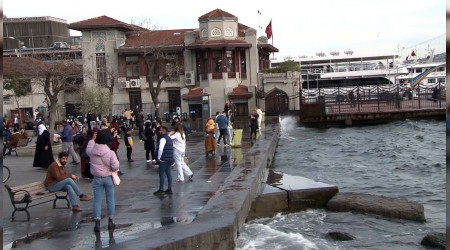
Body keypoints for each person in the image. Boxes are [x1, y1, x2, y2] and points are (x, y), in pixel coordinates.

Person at [86, 129, 120, 232]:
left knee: (97, 200)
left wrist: (92, 139)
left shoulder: (92, 151)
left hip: (96, 178)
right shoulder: (110, 153)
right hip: (108, 177)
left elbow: (88, 148)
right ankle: (110, 220)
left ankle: (97, 222)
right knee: (110, 199)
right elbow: (115, 166)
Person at [153, 126, 174, 195]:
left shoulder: (163, 139)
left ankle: (161, 189)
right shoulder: (169, 138)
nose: (160, 132)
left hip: (164, 159)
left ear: (164, 131)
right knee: (168, 173)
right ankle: (169, 188)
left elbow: (160, 149)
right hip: (169, 158)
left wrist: (158, 157)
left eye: (161, 130)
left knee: (161, 174)